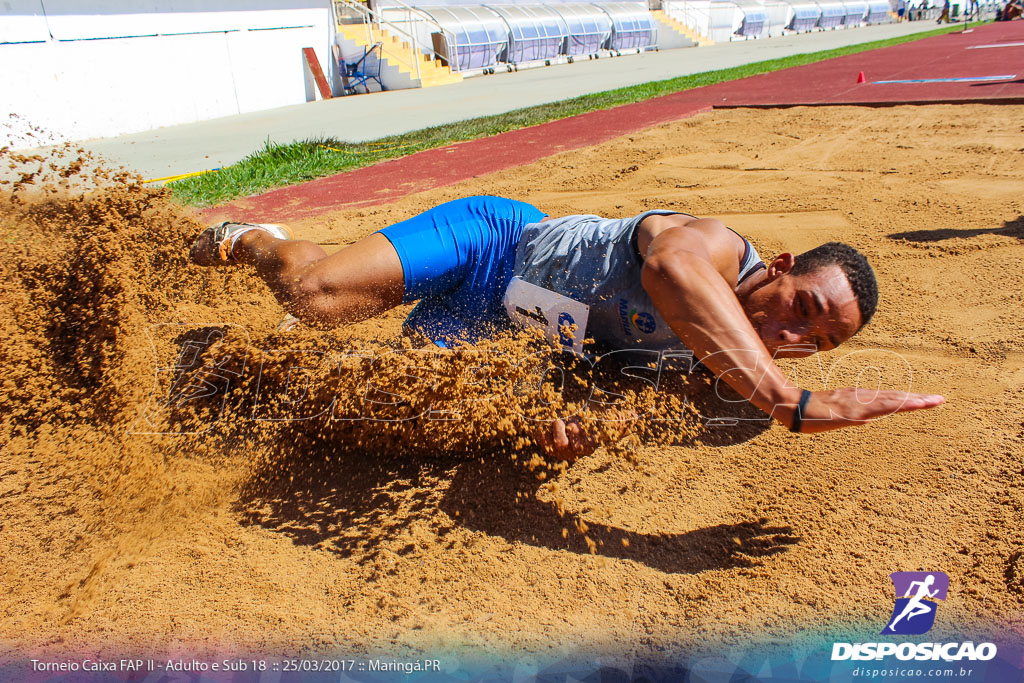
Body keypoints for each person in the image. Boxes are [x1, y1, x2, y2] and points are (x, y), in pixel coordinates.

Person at [190, 196, 943, 459]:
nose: (797, 334)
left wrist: (587, 429)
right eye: (804, 307)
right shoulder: (714, 244)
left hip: (489, 326)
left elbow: (651, 406)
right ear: (779, 266)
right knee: (313, 298)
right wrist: (787, 397)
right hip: (490, 241)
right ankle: (251, 236)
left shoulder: (726, 369)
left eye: (818, 344)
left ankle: (240, 358)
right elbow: (669, 273)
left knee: (400, 415)